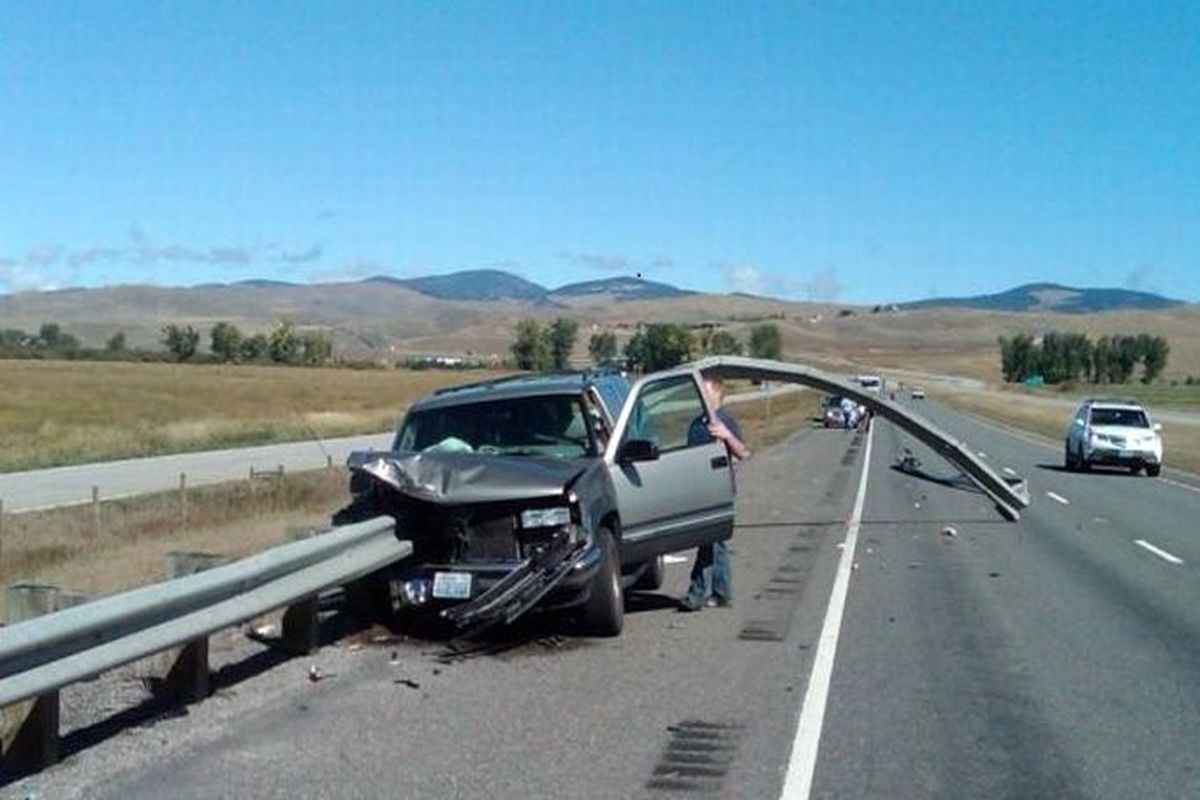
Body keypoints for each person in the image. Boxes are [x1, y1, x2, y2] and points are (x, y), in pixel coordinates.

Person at [681, 374, 750, 612]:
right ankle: (721, 592)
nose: (702, 395)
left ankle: (697, 593)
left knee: (709, 540)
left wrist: (726, 435)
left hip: (719, 489)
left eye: (706, 391)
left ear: (717, 394)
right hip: (698, 489)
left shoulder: (726, 420)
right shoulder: (696, 423)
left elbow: (743, 452)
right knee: (714, 542)